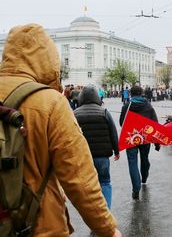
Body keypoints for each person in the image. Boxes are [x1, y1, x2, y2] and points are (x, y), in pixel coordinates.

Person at [0, 24, 120, 236]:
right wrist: (109, 230)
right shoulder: (51, 102)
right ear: (47, 59)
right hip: (39, 226)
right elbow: (80, 181)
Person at [74, 85, 120, 209]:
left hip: (84, 156)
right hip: (102, 156)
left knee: (88, 184)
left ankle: (93, 213)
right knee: (105, 182)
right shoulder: (104, 112)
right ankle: (106, 211)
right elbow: (113, 132)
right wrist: (117, 150)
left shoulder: (75, 114)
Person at [120, 85, 159, 199]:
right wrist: (156, 142)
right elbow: (154, 124)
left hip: (131, 138)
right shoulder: (148, 106)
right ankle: (144, 177)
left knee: (132, 162)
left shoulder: (127, 106)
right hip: (145, 138)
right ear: (141, 93)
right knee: (144, 158)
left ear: (131, 94)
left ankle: (136, 189)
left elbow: (122, 123)